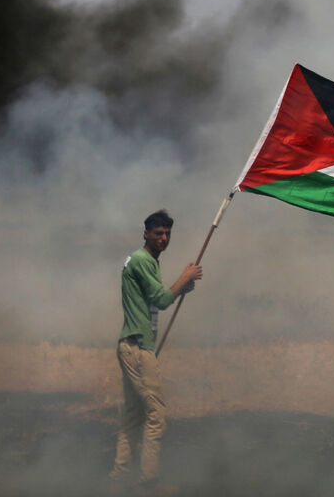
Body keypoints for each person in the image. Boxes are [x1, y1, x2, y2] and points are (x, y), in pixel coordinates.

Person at [110, 209, 203, 494]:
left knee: (134, 415)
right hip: (137, 347)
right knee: (156, 415)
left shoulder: (146, 261)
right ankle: (148, 482)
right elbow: (162, 300)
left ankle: (119, 478)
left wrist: (181, 289)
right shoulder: (141, 260)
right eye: (158, 233)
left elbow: (154, 299)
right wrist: (183, 278)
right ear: (146, 234)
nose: (164, 238)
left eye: (167, 234)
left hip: (135, 345)